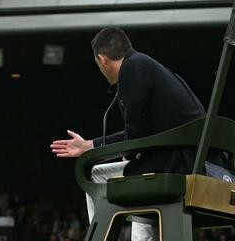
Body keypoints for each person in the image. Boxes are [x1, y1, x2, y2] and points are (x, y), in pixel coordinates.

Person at [50, 27, 205, 175]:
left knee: (95, 174)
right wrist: (89, 145)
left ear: (102, 60)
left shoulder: (131, 68)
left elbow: (135, 137)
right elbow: (137, 132)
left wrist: (130, 153)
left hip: (180, 161)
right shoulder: (141, 64)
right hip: (191, 155)